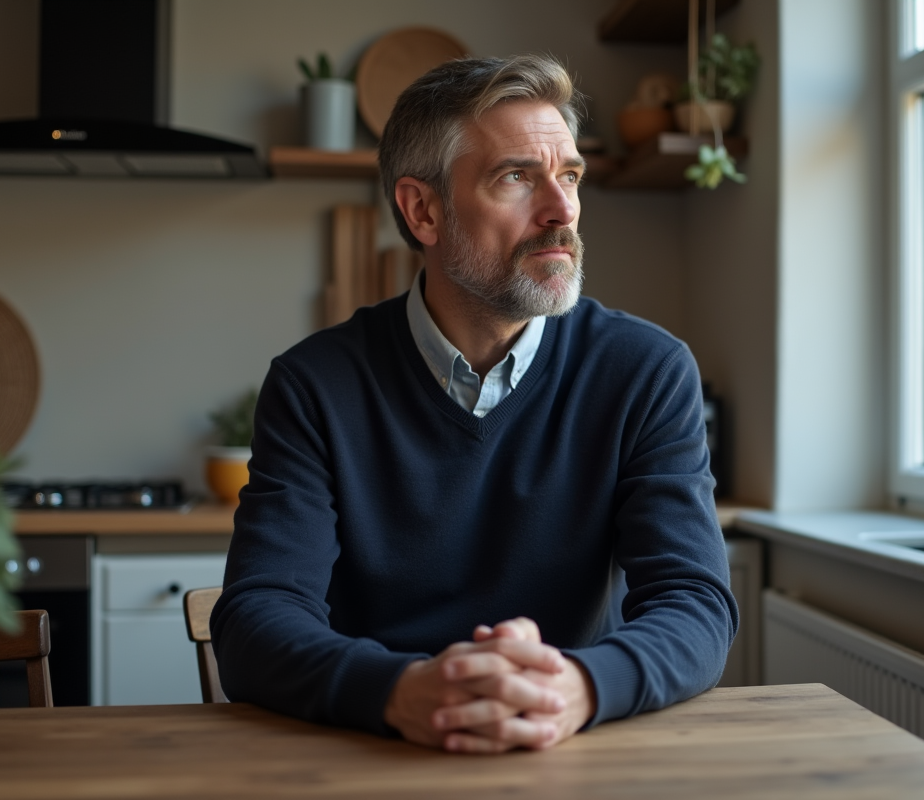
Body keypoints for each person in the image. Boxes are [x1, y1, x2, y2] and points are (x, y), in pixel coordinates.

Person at [211, 54, 738, 754]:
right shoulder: (316, 385)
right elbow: (255, 618)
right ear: (423, 210)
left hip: (571, 748)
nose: (563, 211)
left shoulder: (645, 371)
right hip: (370, 753)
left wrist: (574, 687)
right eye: (517, 177)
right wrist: (402, 691)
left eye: (570, 175)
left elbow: (694, 604)